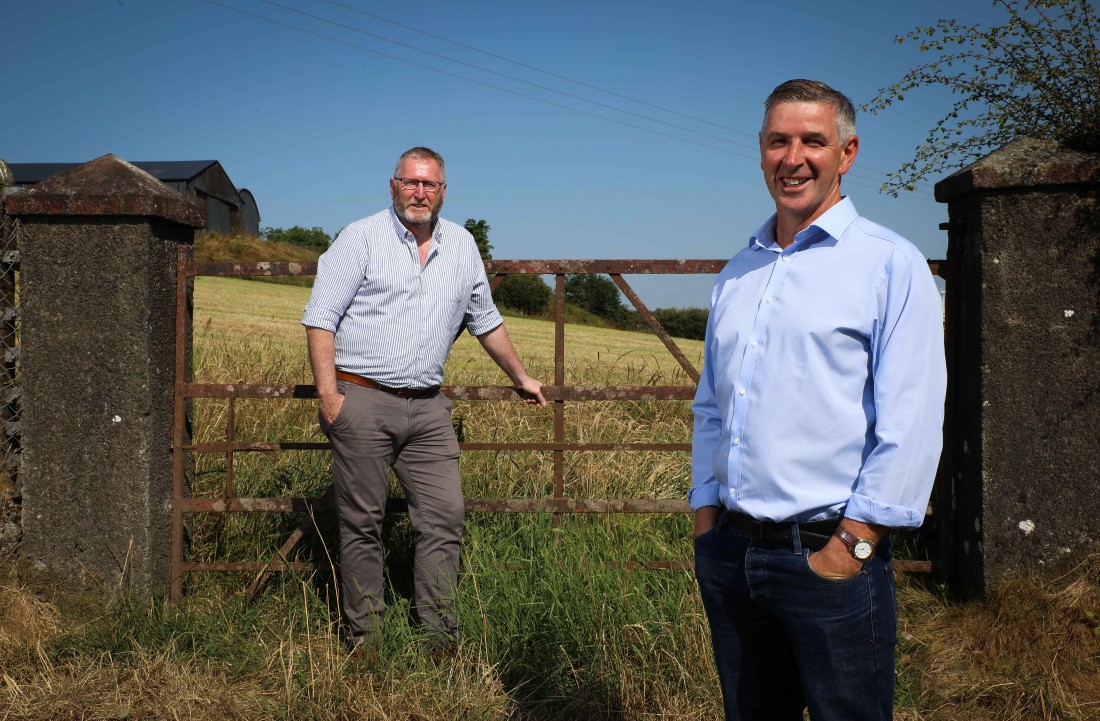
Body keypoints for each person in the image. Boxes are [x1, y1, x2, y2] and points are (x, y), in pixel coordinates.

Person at [690, 79, 946, 720]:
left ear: (848, 153)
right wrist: (705, 517)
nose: (793, 157)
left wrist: (852, 546)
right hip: (733, 554)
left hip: (828, 557)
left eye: (813, 140)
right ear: (760, 150)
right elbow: (712, 407)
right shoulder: (738, 272)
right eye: (780, 140)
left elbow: (911, 421)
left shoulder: (890, 264)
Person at [302, 146, 546, 655]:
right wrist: (330, 398)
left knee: (444, 517)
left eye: (429, 185)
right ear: (393, 185)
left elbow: (485, 320)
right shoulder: (359, 238)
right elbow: (320, 317)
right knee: (362, 523)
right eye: (410, 183)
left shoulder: (461, 245)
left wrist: (521, 375)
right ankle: (366, 640)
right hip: (362, 400)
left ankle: (439, 638)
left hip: (430, 409)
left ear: (443, 191)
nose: (419, 193)